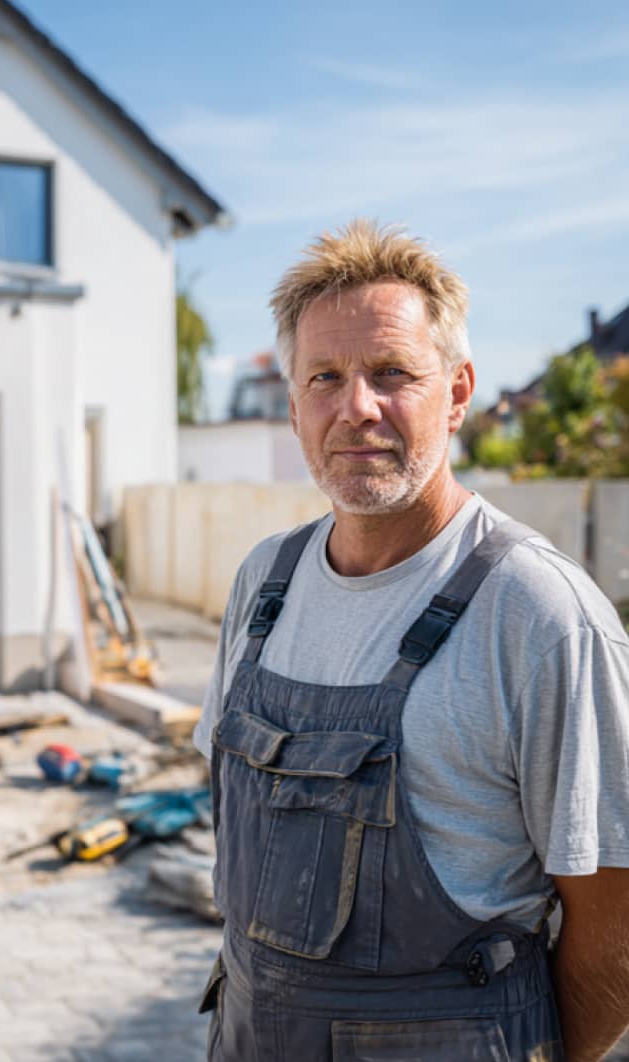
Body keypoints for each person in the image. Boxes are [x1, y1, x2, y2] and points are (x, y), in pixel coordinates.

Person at [193, 220, 629, 1061]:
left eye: (392, 372)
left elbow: (615, 919)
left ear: (459, 391)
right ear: (293, 407)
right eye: (325, 377)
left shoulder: (537, 614)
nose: (356, 407)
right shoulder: (264, 586)